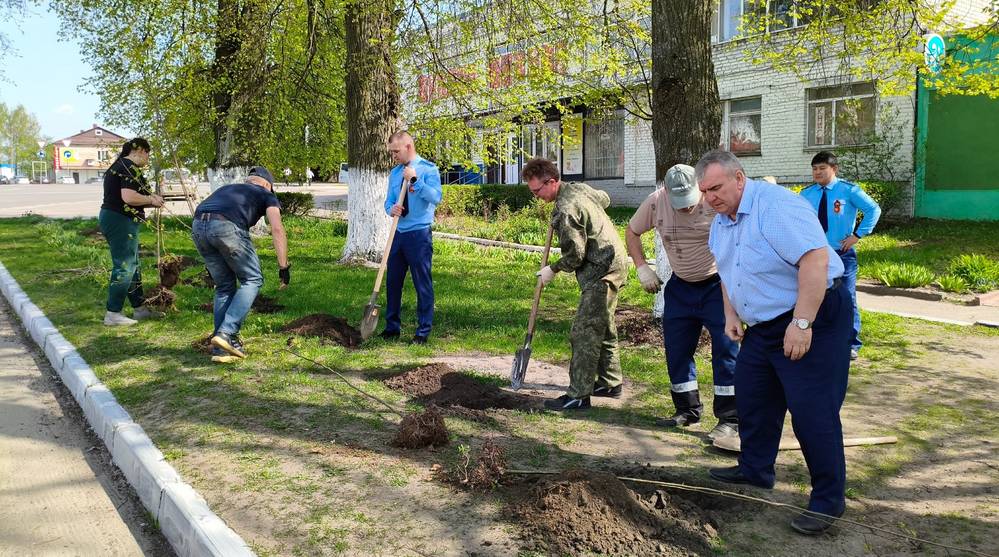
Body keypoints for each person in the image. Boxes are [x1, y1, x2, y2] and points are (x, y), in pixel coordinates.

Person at [696, 150, 851, 535]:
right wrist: (731, 314)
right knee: (753, 397)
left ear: (739, 178)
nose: (710, 197)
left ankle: (828, 500)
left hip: (813, 314)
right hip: (763, 327)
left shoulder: (776, 207)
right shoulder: (721, 222)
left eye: (716, 187)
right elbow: (728, 271)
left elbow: (815, 259)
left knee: (812, 410)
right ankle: (756, 469)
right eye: (705, 191)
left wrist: (802, 322)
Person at [625, 164, 739, 440]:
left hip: (716, 286)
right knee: (677, 349)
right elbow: (631, 232)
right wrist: (642, 267)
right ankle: (687, 410)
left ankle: (730, 419)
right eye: (680, 203)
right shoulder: (656, 202)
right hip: (680, 286)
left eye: (689, 201)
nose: (685, 208)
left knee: (726, 351)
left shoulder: (713, 203)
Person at [523, 158, 629, 411]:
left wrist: (552, 269)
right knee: (604, 325)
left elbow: (575, 256)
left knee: (584, 332)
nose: (537, 197)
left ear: (551, 181)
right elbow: (604, 198)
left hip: (602, 271)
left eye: (538, 191)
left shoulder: (567, 208)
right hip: (614, 260)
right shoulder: (577, 189)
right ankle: (610, 383)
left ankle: (578, 395)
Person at [192, 166, 289, 363]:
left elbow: (207, 212)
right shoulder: (266, 194)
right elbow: (277, 229)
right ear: (268, 185)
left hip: (198, 226)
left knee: (224, 286)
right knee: (252, 279)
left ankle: (220, 348)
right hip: (226, 227)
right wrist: (283, 267)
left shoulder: (227, 189)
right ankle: (227, 333)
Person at [800, 151, 881, 360]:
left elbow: (873, 210)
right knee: (814, 296)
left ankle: (851, 343)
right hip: (814, 255)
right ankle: (819, 337)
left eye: (822, 168)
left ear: (833, 169)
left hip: (842, 253)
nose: (817, 172)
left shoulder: (848, 190)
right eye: (814, 169)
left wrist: (857, 235)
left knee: (847, 297)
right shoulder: (806, 194)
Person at [379, 131, 443, 345]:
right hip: (398, 233)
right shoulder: (395, 173)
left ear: (408, 146)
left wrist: (415, 180)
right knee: (393, 282)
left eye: (396, 151)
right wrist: (391, 209)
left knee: (422, 282)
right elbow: (388, 201)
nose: (393, 156)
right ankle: (392, 328)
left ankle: (423, 331)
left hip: (419, 235)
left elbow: (436, 198)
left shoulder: (428, 169)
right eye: (392, 152)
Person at [99, 137, 165, 326]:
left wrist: (149, 198)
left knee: (133, 265)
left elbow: (129, 196)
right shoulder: (128, 167)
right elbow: (128, 197)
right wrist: (151, 200)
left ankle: (139, 309)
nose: (147, 160)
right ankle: (113, 313)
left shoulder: (120, 166)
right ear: (141, 150)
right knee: (125, 266)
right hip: (120, 219)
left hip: (118, 218)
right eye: (148, 155)